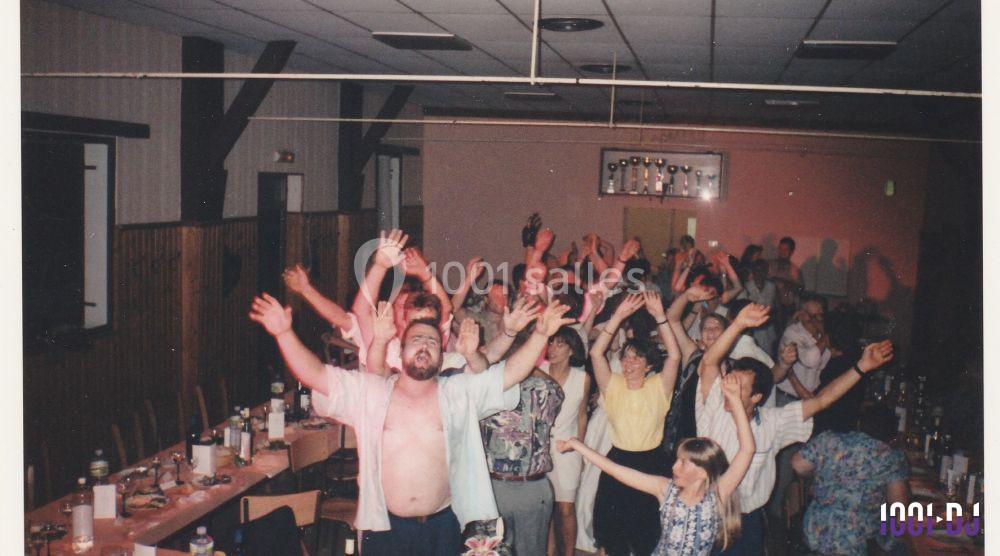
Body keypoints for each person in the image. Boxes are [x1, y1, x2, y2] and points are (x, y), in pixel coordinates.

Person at [249, 291, 574, 554]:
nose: (425, 346)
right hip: (386, 528)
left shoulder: (458, 392)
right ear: (400, 350)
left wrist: (541, 335)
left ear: (441, 353)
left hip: (444, 525)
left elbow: (510, 373)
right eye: (417, 339)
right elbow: (316, 375)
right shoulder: (372, 392)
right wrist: (284, 333)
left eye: (432, 342)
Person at [695, 303, 895, 555]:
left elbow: (822, 400)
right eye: (729, 381)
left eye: (739, 386)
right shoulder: (712, 406)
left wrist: (861, 367)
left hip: (747, 521)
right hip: (706, 514)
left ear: (756, 397)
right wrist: (738, 324)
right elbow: (710, 361)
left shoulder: (773, 422)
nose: (729, 387)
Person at [556, 372, 755, 555]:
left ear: (704, 472)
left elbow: (747, 449)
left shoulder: (717, 495)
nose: (674, 467)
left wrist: (735, 399)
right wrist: (577, 445)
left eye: (684, 463)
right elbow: (616, 470)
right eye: (677, 460)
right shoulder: (666, 490)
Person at [589, 291, 681, 556]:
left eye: (637, 358)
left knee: (647, 539)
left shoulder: (659, 387)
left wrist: (660, 316)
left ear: (649, 364)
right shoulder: (613, 385)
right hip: (618, 463)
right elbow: (596, 353)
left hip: (651, 464)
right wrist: (618, 315)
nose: (629, 363)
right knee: (615, 540)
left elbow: (674, 357)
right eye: (626, 357)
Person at [480, 338, 564, 556]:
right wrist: (533, 366)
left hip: (497, 486)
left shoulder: (489, 388)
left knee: (491, 551)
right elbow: (558, 390)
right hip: (532, 488)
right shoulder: (548, 389)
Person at [792, 405, 909, 555]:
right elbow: (898, 508)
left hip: (815, 535)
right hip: (858, 543)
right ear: (892, 435)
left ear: (860, 424)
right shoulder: (892, 457)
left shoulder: (829, 440)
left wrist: (818, 474)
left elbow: (798, 465)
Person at [540, 326, 591, 556]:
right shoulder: (537, 370)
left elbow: (582, 415)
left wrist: (581, 451)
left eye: (560, 344)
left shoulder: (582, 378)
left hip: (567, 448)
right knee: (546, 507)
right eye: (551, 342)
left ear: (572, 349)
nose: (553, 349)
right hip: (539, 447)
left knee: (566, 507)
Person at [776, 294, 831, 404]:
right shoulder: (792, 333)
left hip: (809, 397)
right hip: (788, 398)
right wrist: (825, 339)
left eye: (820, 315)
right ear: (800, 314)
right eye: (812, 315)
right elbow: (810, 360)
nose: (816, 319)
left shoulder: (820, 334)